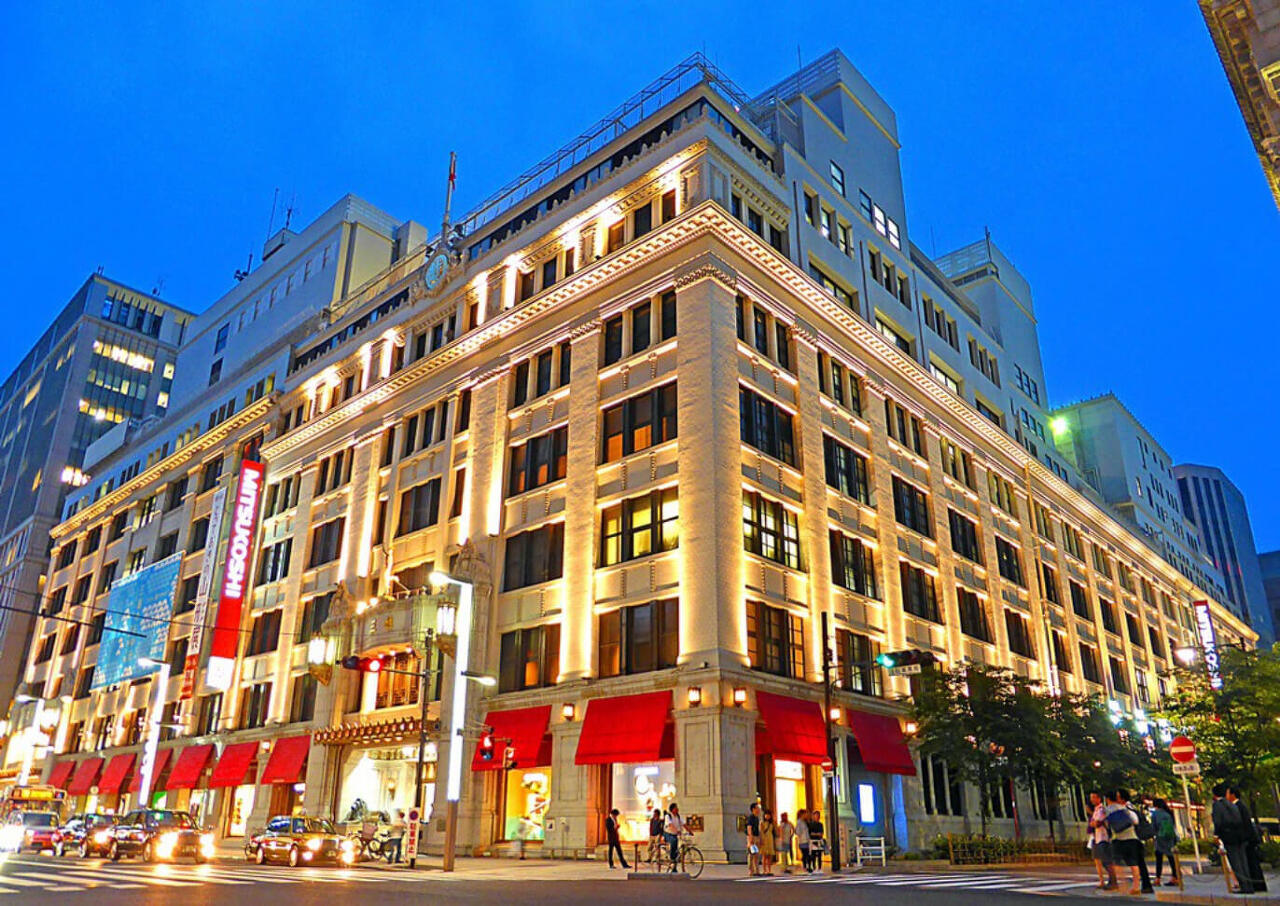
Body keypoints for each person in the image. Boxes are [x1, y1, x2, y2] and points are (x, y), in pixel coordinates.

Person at [1104, 789, 1151, 895]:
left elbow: (1106, 824)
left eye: (1118, 796)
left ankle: (1128, 886)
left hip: (1122, 839)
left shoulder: (1114, 809)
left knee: (1123, 863)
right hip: (1131, 838)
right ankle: (1138, 886)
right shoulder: (1128, 808)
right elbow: (1135, 821)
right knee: (1135, 863)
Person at [1212, 783, 1252, 894]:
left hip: (1228, 836)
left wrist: (1216, 835)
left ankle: (1243, 885)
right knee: (1243, 861)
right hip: (1239, 835)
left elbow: (1218, 822)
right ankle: (1249, 885)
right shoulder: (1232, 805)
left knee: (1235, 862)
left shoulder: (1217, 805)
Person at [1228, 787, 1267, 894]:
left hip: (1246, 840)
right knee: (1252, 863)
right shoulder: (1240, 805)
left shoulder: (1238, 806)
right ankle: (1257, 885)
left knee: (1249, 863)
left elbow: (1242, 825)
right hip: (1248, 839)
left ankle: (1254, 885)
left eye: (1228, 794)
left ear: (1233, 795)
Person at [1089, 791, 1119, 890]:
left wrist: (1093, 823)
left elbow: (1097, 823)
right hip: (1098, 837)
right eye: (1091, 797)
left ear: (1099, 798)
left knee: (1107, 861)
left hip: (1103, 838)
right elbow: (1093, 823)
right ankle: (1110, 881)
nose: (1092, 800)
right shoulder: (1096, 810)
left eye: (1094, 797)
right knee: (1103, 861)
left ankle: (1113, 882)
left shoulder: (1102, 809)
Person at [1150, 798, 1179, 887]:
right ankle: (1175, 877)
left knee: (1159, 858)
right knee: (1171, 858)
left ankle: (1157, 879)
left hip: (1160, 837)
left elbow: (1154, 827)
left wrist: (1153, 835)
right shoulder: (1168, 813)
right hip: (1170, 837)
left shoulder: (1155, 814)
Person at [663, 802, 686, 873]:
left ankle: (674, 867)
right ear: (672, 809)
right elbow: (670, 825)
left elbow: (684, 824)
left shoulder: (678, 816)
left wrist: (690, 831)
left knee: (676, 849)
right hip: (668, 834)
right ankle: (672, 859)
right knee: (673, 842)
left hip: (674, 834)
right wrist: (677, 831)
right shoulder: (668, 816)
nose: (677, 809)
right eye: (676, 808)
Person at [807, 808, 826, 874]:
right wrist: (817, 834)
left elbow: (821, 833)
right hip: (812, 841)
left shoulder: (820, 824)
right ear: (813, 816)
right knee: (813, 855)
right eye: (816, 815)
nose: (817, 817)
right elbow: (810, 833)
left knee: (819, 855)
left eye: (818, 816)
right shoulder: (810, 824)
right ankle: (814, 867)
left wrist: (816, 834)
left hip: (819, 841)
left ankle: (819, 868)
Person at [759, 808, 777, 876]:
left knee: (770, 856)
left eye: (769, 815)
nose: (767, 816)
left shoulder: (772, 823)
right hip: (764, 838)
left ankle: (769, 870)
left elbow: (775, 830)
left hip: (770, 839)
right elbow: (761, 832)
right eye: (766, 814)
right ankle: (764, 870)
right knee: (764, 855)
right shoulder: (762, 822)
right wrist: (761, 839)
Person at [745, 803, 761, 875]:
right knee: (752, 854)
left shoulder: (756, 818)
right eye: (757, 808)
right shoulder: (751, 818)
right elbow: (749, 828)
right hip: (752, 837)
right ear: (753, 809)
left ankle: (756, 870)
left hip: (756, 837)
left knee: (756, 854)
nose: (759, 810)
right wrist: (751, 838)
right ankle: (751, 871)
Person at [795, 808, 811, 873]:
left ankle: (808, 867)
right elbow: (797, 832)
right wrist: (801, 834)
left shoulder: (804, 822)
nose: (806, 815)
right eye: (805, 814)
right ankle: (805, 867)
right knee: (805, 854)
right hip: (802, 841)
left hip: (806, 840)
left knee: (807, 854)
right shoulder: (799, 822)